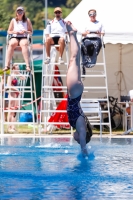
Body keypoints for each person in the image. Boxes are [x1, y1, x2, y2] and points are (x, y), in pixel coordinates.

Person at [66, 21, 92, 157]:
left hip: (74, 92)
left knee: (73, 60)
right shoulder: (81, 127)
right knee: (74, 58)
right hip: (74, 93)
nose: (75, 140)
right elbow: (83, 145)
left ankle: (73, 35)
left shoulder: (79, 124)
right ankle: (72, 33)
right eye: (79, 140)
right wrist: (85, 152)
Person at [3, 6, 33, 73]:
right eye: (18, 11)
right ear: (16, 13)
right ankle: (7, 65)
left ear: (23, 12)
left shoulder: (27, 20)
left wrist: (25, 31)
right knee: (11, 44)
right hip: (15, 36)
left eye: (21, 11)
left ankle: (27, 65)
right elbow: (8, 31)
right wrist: (14, 32)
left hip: (24, 36)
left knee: (24, 44)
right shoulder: (13, 20)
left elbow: (31, 31)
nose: (19, 13)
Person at [81, 9, 105, 74]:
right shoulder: (86, 23)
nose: (92, 15)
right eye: (91, 14)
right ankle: (88, 57)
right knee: (87, 44)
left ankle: (92, 57)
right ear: (89, 16)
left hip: (96, 39)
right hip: (88, 38)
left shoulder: (100, 23)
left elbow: (103, 33)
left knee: (96, 44)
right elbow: (82, 33)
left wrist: (99, 33)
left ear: (96, 14)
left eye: (94, 14)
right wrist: (86, 32)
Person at [6, 64, 25, 132]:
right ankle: (9, 127)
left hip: (16, 95)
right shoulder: (10, 76)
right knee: (10, 111)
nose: (18, 69)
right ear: (13, 68)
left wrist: (18, 73)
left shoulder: (17, 76)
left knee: (15, 112)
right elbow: (8, 86)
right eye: (17, 68)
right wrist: (17, 90)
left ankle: (13, 126)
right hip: (12, 95)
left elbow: (24, 78)